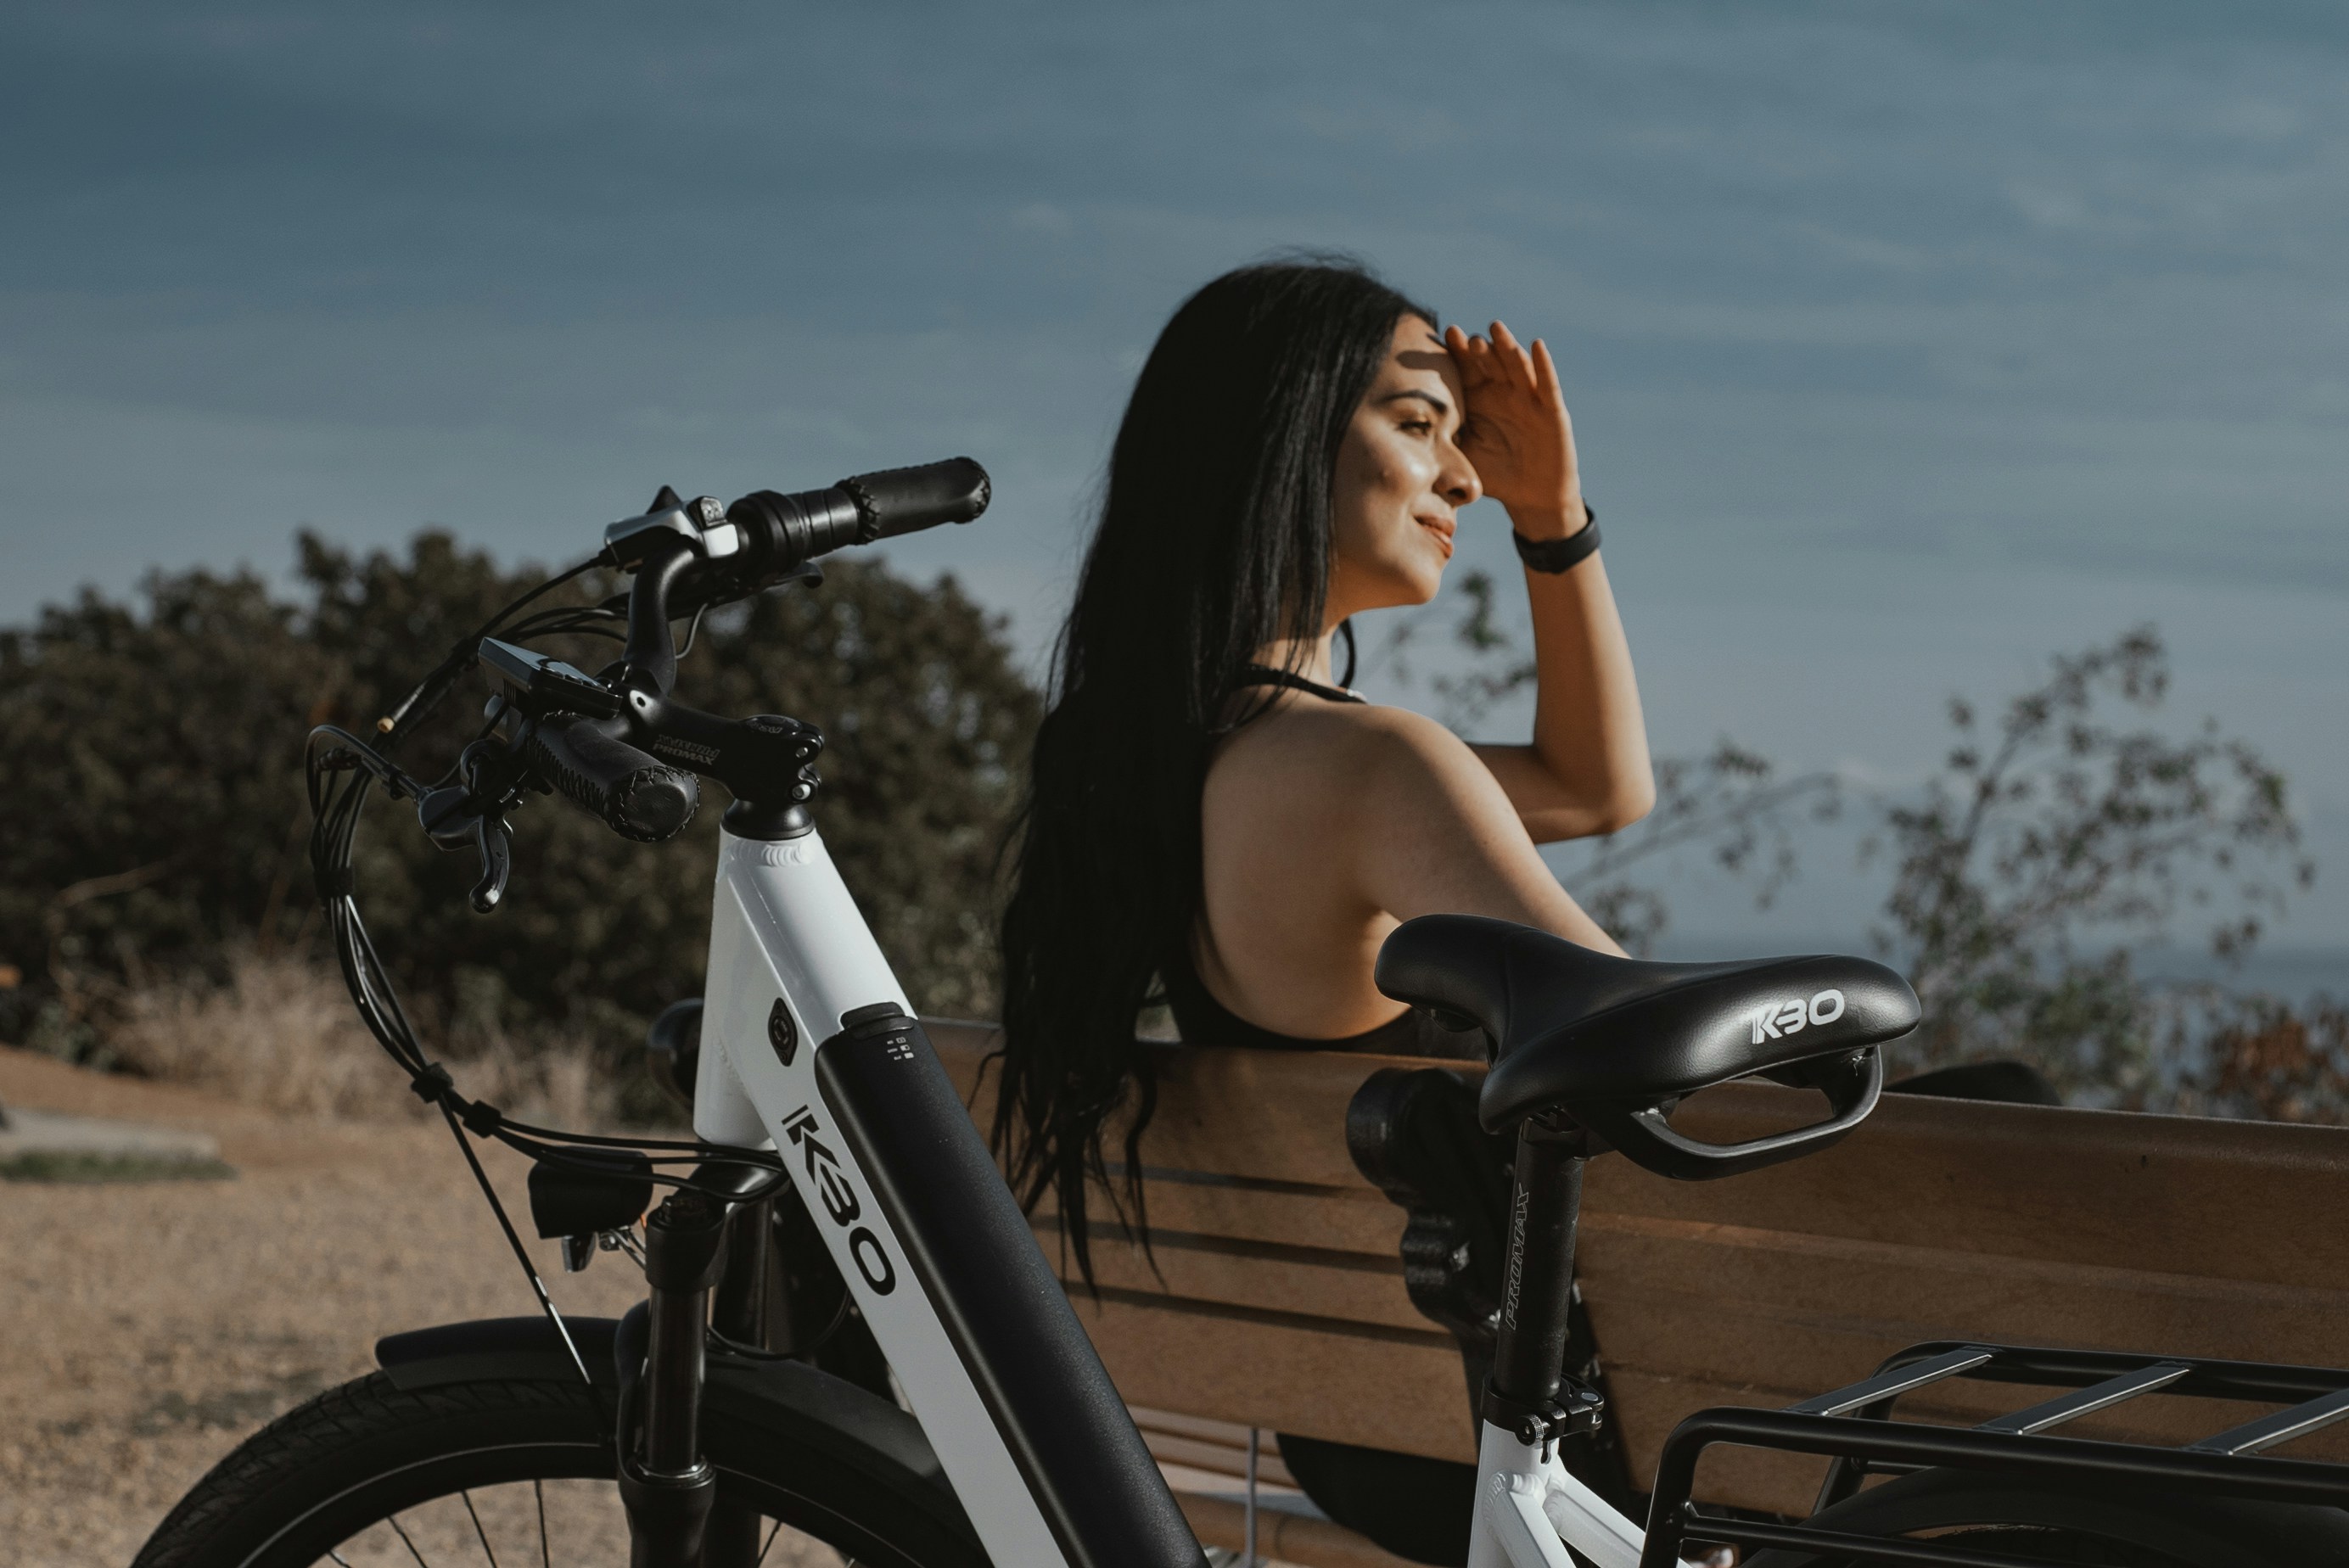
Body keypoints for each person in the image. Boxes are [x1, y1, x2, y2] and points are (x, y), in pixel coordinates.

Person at [994, 259, 1654, 1565]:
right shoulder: (1369, 770)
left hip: (1365, 1426)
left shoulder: (1147, 760)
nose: (1463, 479)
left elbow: (1593, 787)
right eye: (1419, 427)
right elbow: (1650, 1055)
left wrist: (1551, 513)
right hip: (1532, 1425)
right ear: (1284, 442)